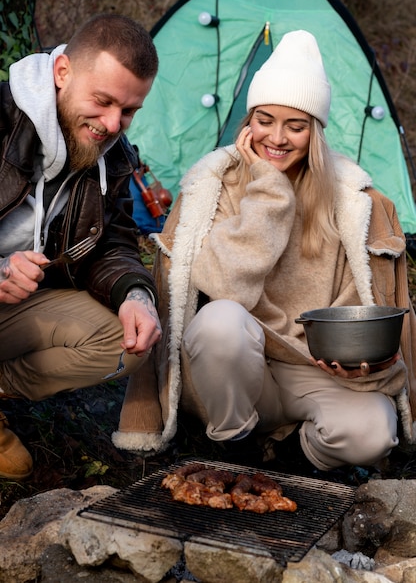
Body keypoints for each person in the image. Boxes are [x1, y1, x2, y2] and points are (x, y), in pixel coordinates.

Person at [113, 30, 416, 472]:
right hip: (233, 370)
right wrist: (268, 192)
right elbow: (224, 287)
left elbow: (362, 309)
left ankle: (292, 460)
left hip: (317, 370)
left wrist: (360, 361)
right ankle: (238, 446)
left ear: (315, 131)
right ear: (248, 120)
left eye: (295, 126)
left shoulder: (354, 203)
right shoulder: (212, 188)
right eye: (265, 120)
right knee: (220, 322)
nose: (277, 138)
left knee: (371, 433)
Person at [0, 13, 163, 480]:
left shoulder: (111, 154)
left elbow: (112, 239)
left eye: (129, 110)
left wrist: (137, 296)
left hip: (20, 305)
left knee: (129, 342)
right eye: (103, 101)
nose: (113, 123)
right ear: (62, 72)